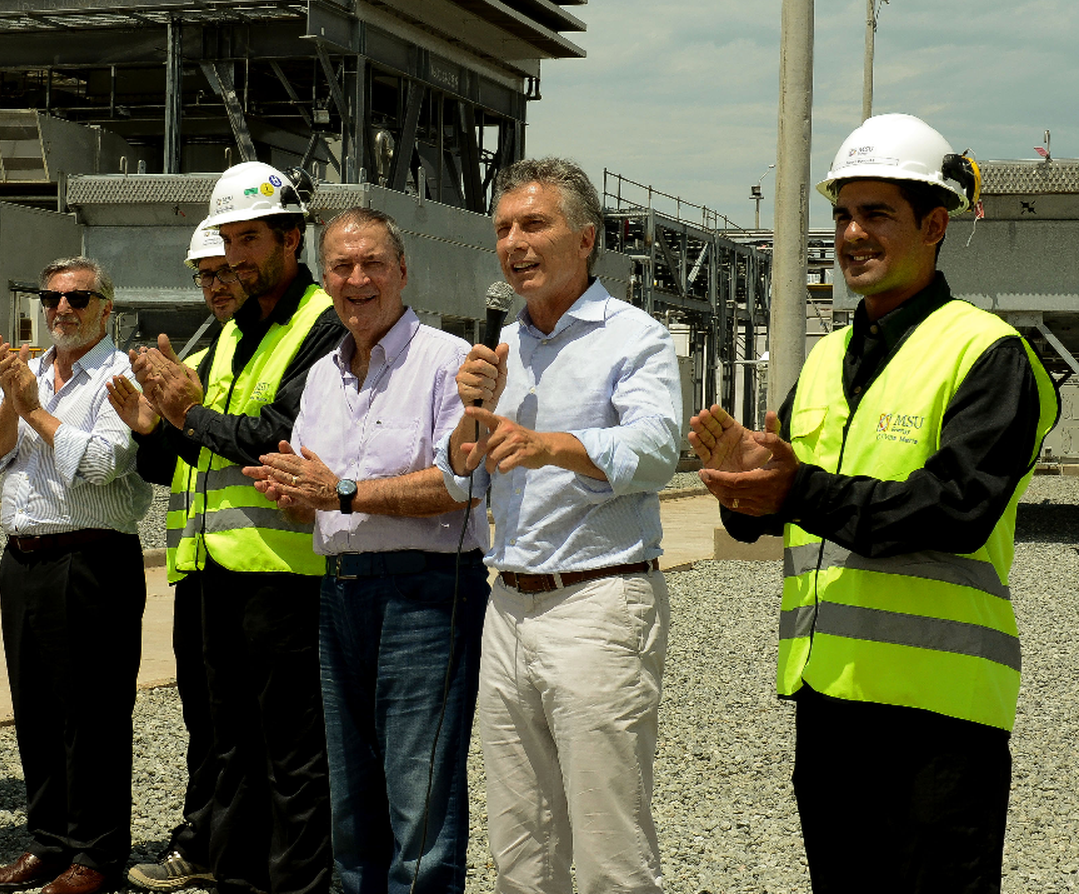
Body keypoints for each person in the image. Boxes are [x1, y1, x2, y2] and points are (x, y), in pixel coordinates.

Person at [688, 113, 1059, 893]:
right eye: (843, 214)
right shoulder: (825, 361)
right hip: (830, 705)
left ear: (934, 224)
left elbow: (954, 509)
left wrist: (794, 487)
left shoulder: (988, 354)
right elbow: (781, 504)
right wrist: (742, 485)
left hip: (941, 719)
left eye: (876, 213)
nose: (852, 233)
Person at [436, 157, 681, 894]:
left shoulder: (632, 337)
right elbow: (464, 476)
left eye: (534, 223)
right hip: (506, 604)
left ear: (585, 237)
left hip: (596, 601)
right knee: (521, 842)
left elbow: (655, 450)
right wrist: (466, 425)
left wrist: (551, 446)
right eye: (504, 227)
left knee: (610, 846)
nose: (515, 241)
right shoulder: (503, 346)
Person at [243, 208, 486, 894]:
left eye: (372, 262)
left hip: (426, 594)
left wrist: (341, 490)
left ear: (403, 271)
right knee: (350, 805)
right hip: (340, 590)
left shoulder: (446, 362)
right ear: (326, 280)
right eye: (342, 266)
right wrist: (295, 491)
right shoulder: (323, 375)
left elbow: (457, 483)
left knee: (420, 804)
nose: (358, 278)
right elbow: (322, 491)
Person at [128, 162, 343, 894]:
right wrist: (153, 426)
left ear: (292, 236)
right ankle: (240, 880)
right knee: (233, 753)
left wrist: (191, 415)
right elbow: (193, 447)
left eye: (249, 239)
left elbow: (281, 434)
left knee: (293, 759)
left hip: (289, 580)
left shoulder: (324, 323)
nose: (236, 258)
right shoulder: (227, 336)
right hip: (221, 573)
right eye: (227, 242)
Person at [0, 256, 152, 894]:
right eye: (51, 298)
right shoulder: (32, 372)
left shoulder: (121, 374)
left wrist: (34, 413)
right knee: (37, 710)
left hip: (90, 559)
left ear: (107, 307)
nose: (62, 310)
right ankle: (48, 841)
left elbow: (107, 461)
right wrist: (10, 400)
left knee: (92, 713)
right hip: (24, 560)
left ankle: (96, 855)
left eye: (78, 299)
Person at [110, 222, 246, 893]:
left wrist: (182, 414)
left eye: (226, 269)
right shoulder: (212, 348)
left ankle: (230, 845)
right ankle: (207, 841)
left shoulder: (264, 352)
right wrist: (150, 425)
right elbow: (176, 464)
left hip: (255, 568)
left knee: (247, 726)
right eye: (205, 275)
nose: (216, 285)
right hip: (197, 564)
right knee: (206, 720)